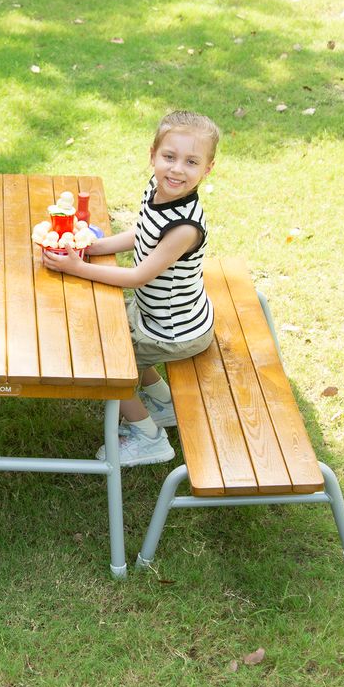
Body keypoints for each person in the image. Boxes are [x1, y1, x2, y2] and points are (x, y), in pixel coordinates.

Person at [43, 111, 220, 466]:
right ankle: (162, 402)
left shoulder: (185, 227)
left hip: (173, 331)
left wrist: (78, 268)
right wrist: (93, 248)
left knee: (101, 361)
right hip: (159, 315)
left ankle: (148, 437)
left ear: (208, 169)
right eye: (169, 157)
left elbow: (138, 277)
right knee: (112, 330)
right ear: (152, 154)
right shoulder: (158, 191)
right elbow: (142, 234)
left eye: (191, 162)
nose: (177, 170)